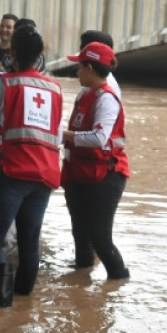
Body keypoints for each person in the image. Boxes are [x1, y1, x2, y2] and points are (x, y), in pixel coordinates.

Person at [0, 26, 63, 306]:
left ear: (13, 53)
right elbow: (56, 135)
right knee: (29, 240)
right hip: (45, 176)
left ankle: (1, 307)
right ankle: (24, 303)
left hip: (14, 173)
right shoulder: (54, 88)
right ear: (39, 55)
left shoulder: (5, 83)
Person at [62, 41, 131, 280]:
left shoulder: (106, 99)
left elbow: (99, 138)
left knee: (100, 239)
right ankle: (81, 285)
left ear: (90, 68)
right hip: (83, 173)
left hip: (107, 176)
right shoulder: (86, 95)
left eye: (80, 67)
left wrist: (62, 135)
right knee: (80, 234)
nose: (77, 72)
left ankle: (119, 280)